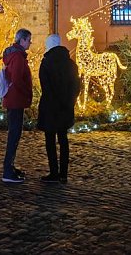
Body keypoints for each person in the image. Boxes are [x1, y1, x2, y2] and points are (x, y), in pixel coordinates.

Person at [37, 33, 80, 183]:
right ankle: (63, 174)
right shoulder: (70, 64)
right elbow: (76, 86)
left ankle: (54, 172)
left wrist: (52, 102)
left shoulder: (46, 63)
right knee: (63, 140)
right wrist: (70, 102)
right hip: (65, 108)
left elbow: (45, 87)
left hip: (50, 109)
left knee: (50, 141)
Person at [1, 28, 33, 184]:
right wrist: (27, 93)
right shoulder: (18, 58)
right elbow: (17, 80)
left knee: (14, 135)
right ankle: (7, 171)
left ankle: (10, 167)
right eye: (28, 40)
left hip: (13, 100)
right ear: (21, 40)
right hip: (16, 101)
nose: (30, 43)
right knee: (14, 135)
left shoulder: (14, 55)